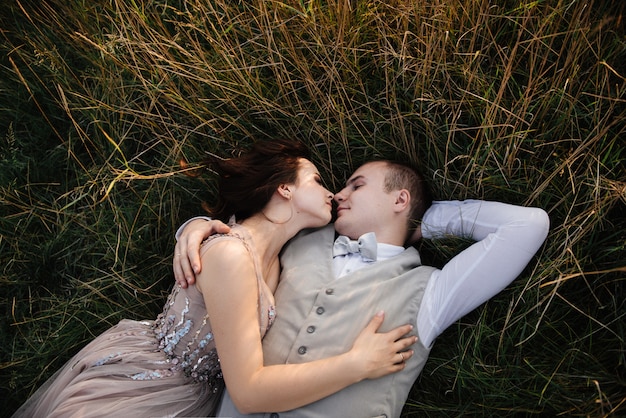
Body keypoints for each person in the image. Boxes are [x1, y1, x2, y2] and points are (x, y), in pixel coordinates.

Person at [12, 141, 418, 418]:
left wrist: (196, 225)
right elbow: (249, 391)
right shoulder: (229, 253)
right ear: (284, 189)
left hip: (192, 401)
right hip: (144, 388)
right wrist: (357, 364)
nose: (333, 192)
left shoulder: (283, 257)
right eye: (316, 180)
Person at [174, 159, 550, 417]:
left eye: (357, 185)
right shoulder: (302, 242)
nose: (338, 194)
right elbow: (247, 238)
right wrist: (196, 226)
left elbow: (527, 226)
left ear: (399, 199)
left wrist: (423, 220)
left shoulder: (431, 293)